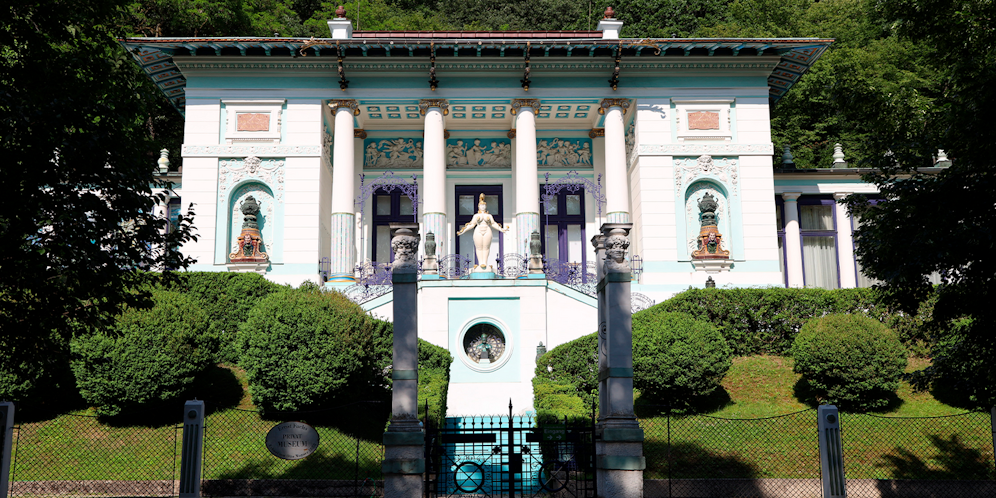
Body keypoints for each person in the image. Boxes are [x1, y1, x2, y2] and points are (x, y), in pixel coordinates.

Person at [456, 193, 509, 271]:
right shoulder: (476, 216)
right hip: (478, 231)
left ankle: (485, 263)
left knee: (486, 247)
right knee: (479, 247)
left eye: (484, 205)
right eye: (481, 205)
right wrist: (463, 231)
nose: (483, 207)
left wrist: (502, 229)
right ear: (479, 206)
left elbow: (493, 224)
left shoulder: (489, 216)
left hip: (487, 230)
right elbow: (471, 224)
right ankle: (480, 263)